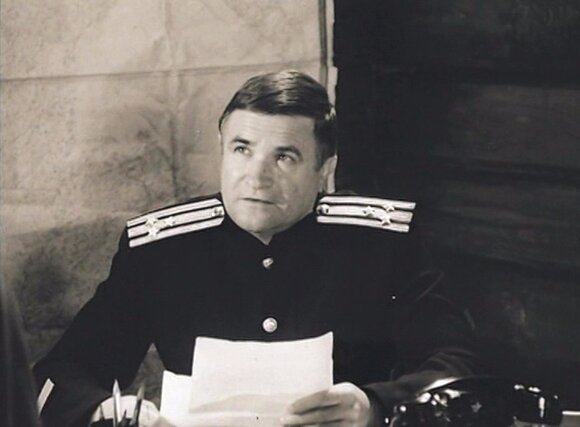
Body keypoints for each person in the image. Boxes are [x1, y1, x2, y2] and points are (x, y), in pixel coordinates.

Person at [34, 70, 480, 427]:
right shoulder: (161, 251)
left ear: (325, 170)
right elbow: (60, 375)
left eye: (284, 157)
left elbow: (457, 365)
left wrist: (374, 406)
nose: (256, 176)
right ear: (222, 150)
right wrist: (112, 413)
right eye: (242, 149)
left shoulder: (381, 242)